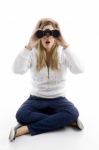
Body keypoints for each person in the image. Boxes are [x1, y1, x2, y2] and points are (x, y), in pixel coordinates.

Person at [9, 18, 84, 142]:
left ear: (56, 35)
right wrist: (29, 46)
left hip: (58, 99)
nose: (47, 37)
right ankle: (64, 121)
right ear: (37, 35)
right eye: (42, 33)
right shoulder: (32, 53)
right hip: (35, 98)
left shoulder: (64, 53)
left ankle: (26, 129)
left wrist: (65, 44)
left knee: (73, 113)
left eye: (52, 33)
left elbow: (80, 69)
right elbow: (17, 70)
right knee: (21, 115)